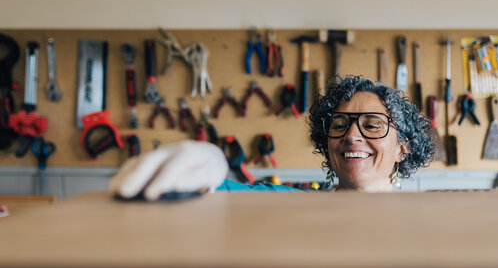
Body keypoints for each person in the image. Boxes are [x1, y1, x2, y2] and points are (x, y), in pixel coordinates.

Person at [109, 76, 434, 200]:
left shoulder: (432, 222)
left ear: (403, 148)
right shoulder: (290, 206)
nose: (352, 136)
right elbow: (221, 192)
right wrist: (209, 162)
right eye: (339, 124)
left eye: (373, 125)